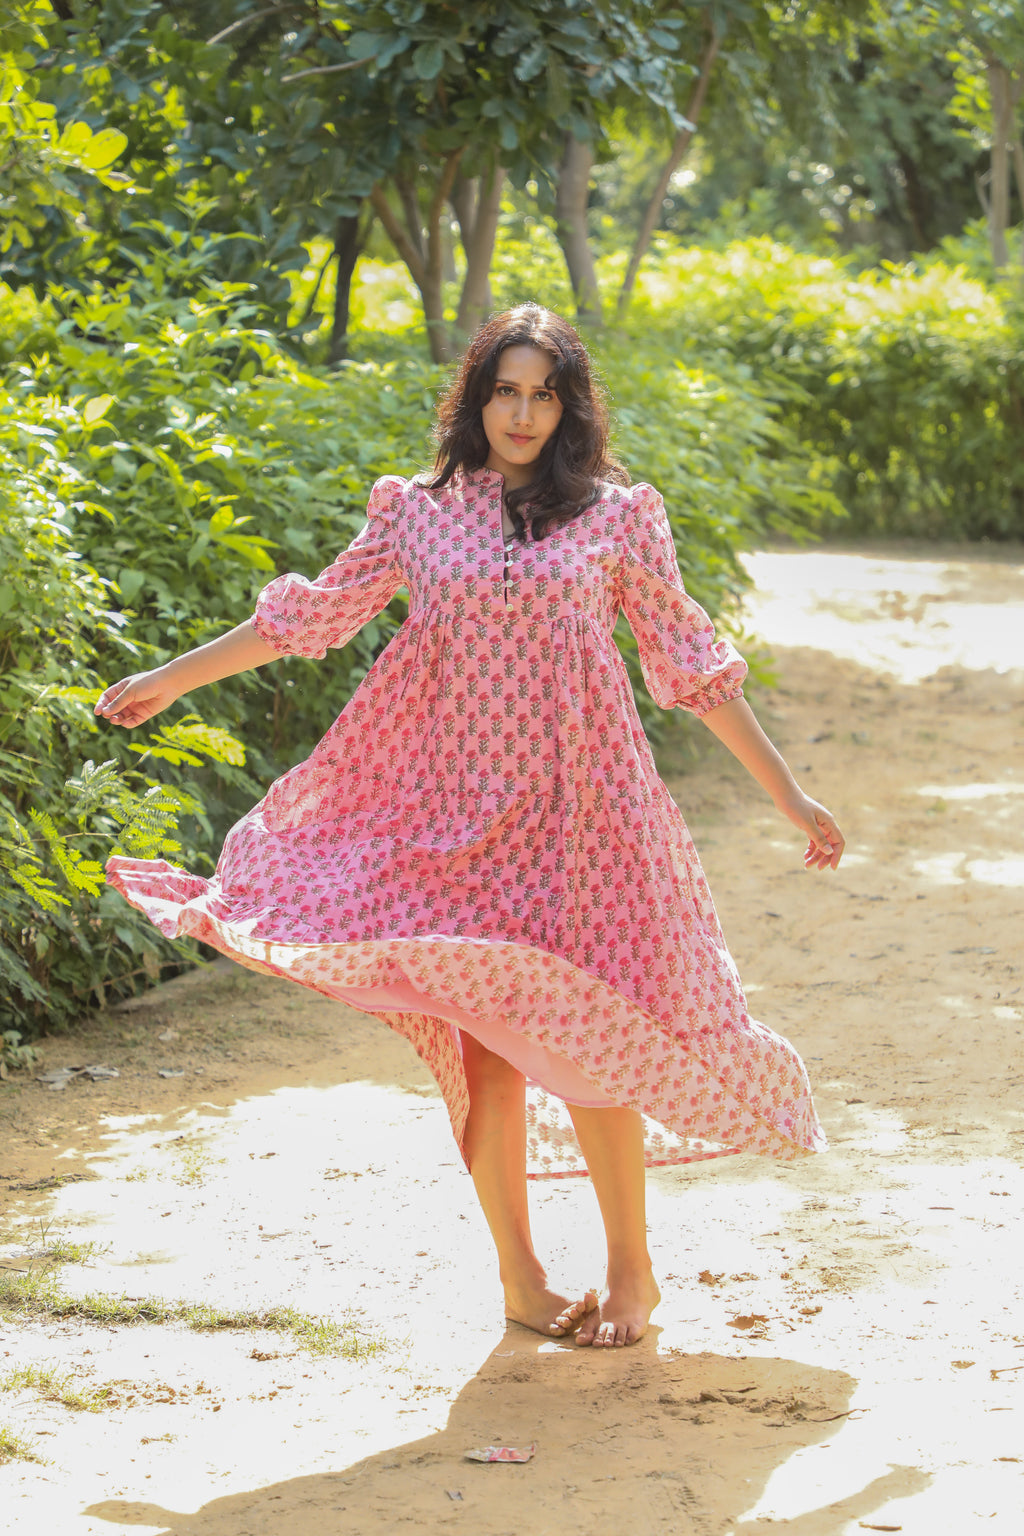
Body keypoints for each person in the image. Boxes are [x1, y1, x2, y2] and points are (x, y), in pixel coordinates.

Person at [96, 304, 844, 1350]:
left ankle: (633, 1273)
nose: (523, 412)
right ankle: (522, 1280)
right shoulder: (417, 511)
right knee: (486, 1053)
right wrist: (169, 682)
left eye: (544, 393)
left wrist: (786, 793)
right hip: (444, 820)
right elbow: (306, 617)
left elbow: (690, 664)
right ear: (476, 397)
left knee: (591, 1034)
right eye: (506, 389)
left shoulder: (619, 518)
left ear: (570, 407)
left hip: (583, 818)